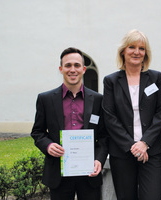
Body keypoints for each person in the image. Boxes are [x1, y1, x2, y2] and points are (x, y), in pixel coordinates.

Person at [31, 47, 108, 200]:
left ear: (84, 69)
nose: (72, 70)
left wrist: (99, 159)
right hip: (59, 171)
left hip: (89, 171)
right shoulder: (45, 99)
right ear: (61, 69)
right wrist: (48, 145)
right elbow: (37, 132)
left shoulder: (98, 100)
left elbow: (105, 136)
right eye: (68, 65)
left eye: (77, 65)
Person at [102, 29, 161, 200]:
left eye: (141, 48)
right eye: (132, 47)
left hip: (151, 151)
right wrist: (132, 146)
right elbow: (110, 117)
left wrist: (145, 142)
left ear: (146, 53)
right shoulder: (111, 81)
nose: (137, 52)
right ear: (123, 51)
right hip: (122, 152)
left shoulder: (155, 77)